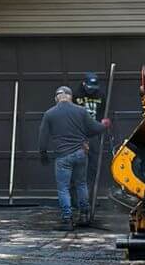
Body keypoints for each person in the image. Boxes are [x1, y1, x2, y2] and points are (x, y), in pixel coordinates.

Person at [38, 85, 110, 230]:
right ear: (71, 97)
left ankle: (67, 220)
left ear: (56, 98)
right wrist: (104, 125)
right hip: (81, 153)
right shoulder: (81, 111)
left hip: (63, 156)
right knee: (81, 184)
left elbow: (42, 138)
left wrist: (43, 154)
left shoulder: (50, 114)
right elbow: (94, 129)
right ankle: (84, 215)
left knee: (63, 188)